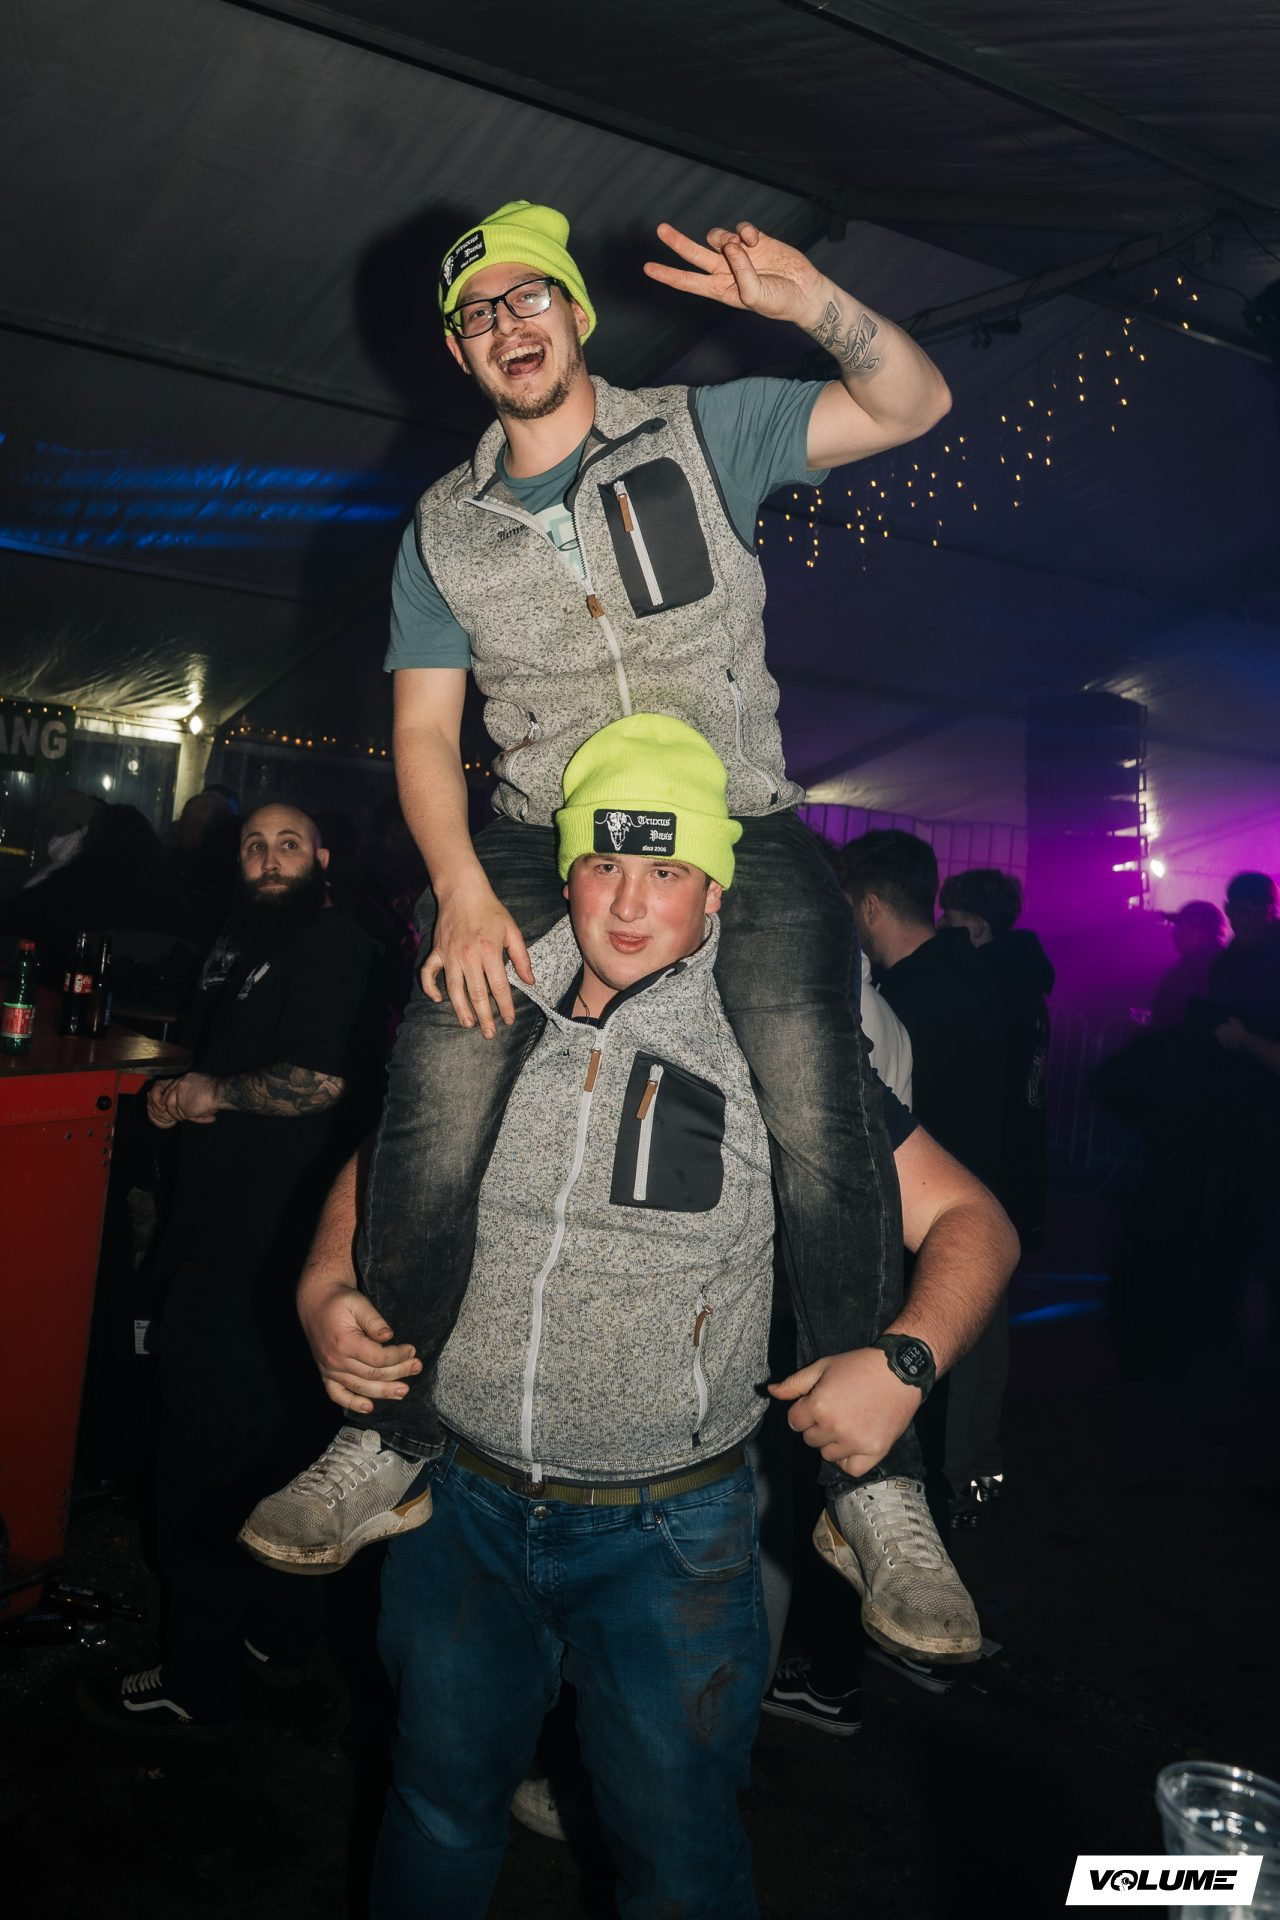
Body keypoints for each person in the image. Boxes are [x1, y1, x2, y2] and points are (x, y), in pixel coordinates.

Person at [245, 200, 968, 1653]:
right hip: (535, 830)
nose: (506, 326)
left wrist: (817, 306)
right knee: (444, 1062)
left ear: (574, 313)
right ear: (459, 352)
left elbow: (913, 404)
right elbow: (423, 728)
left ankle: (873, 1490)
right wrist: (460, 887)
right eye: (477, 315)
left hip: (735, 817)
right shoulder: (444, 527)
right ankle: (392, 1435)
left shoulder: (704, 432)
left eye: (529, 299)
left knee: (814, 1086)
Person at [255, 720, 1009, 1916]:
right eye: (603, 864)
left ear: (717, 892)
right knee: (436, 1812)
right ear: (564, 872)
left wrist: (903, 1361)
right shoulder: (486, 996)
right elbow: (386, 1156)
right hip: (459, 1506)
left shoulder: (776, 1048)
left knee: (677, 1862)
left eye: (664, 871)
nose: (624, 903)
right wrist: (320, 1281)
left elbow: (974, 1220)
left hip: (669, 1539)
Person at [76, 805, 382, 1735]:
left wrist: (212, 1092)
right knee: (271, 1448)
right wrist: (183, 1095)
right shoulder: (246, 942)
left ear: (322, 856)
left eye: (289, 843)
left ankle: (197, 1675)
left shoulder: (331, 945)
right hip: (246, 1243)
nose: (270, 857)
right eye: (255, 845)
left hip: (260, 1249)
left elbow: (322, 1080)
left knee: (199, 1463)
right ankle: (279, 1636)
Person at [840, 831, 1009, 1522]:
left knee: (948, 1388)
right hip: (981, 1206)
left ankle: (951, 1509)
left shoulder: (909, 998)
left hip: (941, 1219)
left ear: (869, 906)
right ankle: (972, 1499)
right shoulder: (980, 978)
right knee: (976, 1381)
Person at [938, 866, 1054, 1248]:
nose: (941, 924)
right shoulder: (1022, 976)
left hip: (992, 1149)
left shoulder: (985, 985)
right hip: (1018, 1143)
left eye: (949, 916)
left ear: (975, 926)